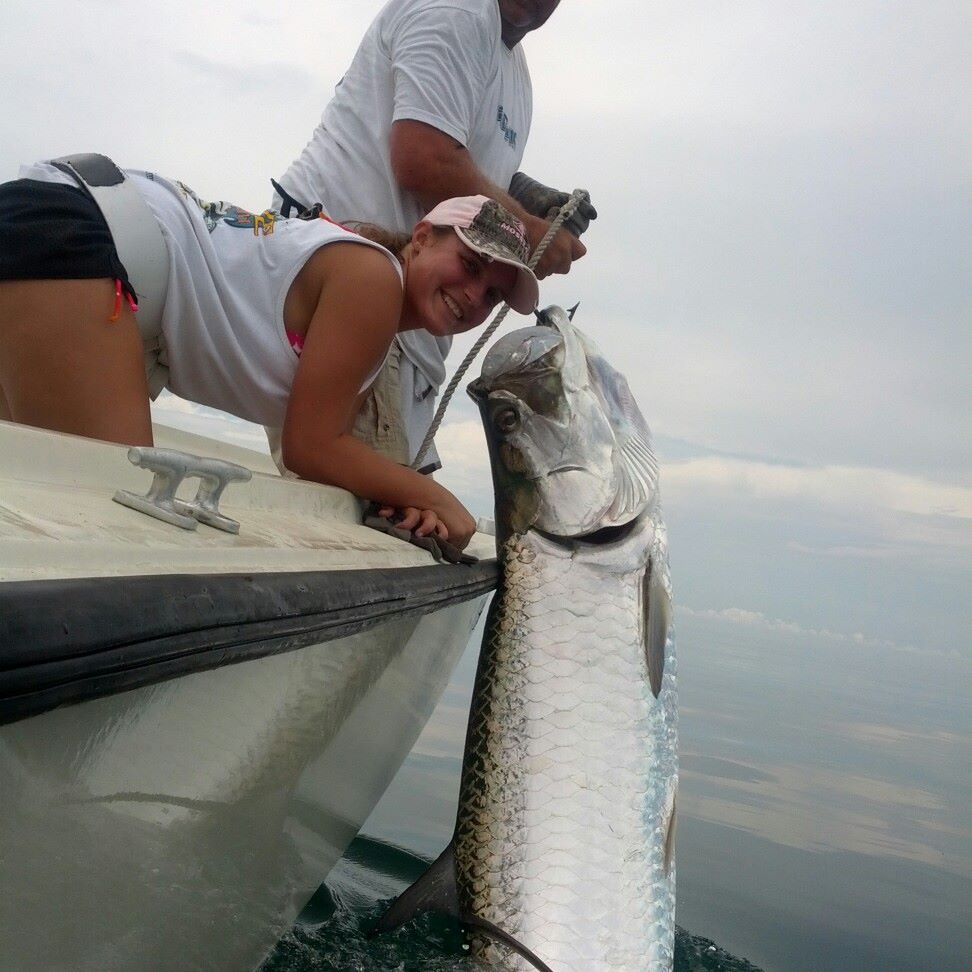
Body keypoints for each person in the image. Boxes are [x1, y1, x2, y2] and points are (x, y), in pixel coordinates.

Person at [0, 160, 539, 550]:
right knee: (111, 529)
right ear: (421, 237)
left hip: (65, 214)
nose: (474, 295)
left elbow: (331, 456)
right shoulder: (374, 279)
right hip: (78, 232)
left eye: (492, 294)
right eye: (470, 265)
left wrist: (405, 498)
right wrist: (439, 497)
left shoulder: (372, 324)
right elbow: (309, 447)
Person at [272, 0, 596, 469]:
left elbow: (466, 158)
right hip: (348, 290)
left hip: (408, 329)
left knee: (404, 521)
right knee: (370, 518)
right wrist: (531, 231)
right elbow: (424, 159)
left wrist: (528, 197)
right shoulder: (457, 11)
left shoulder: (513, 71)